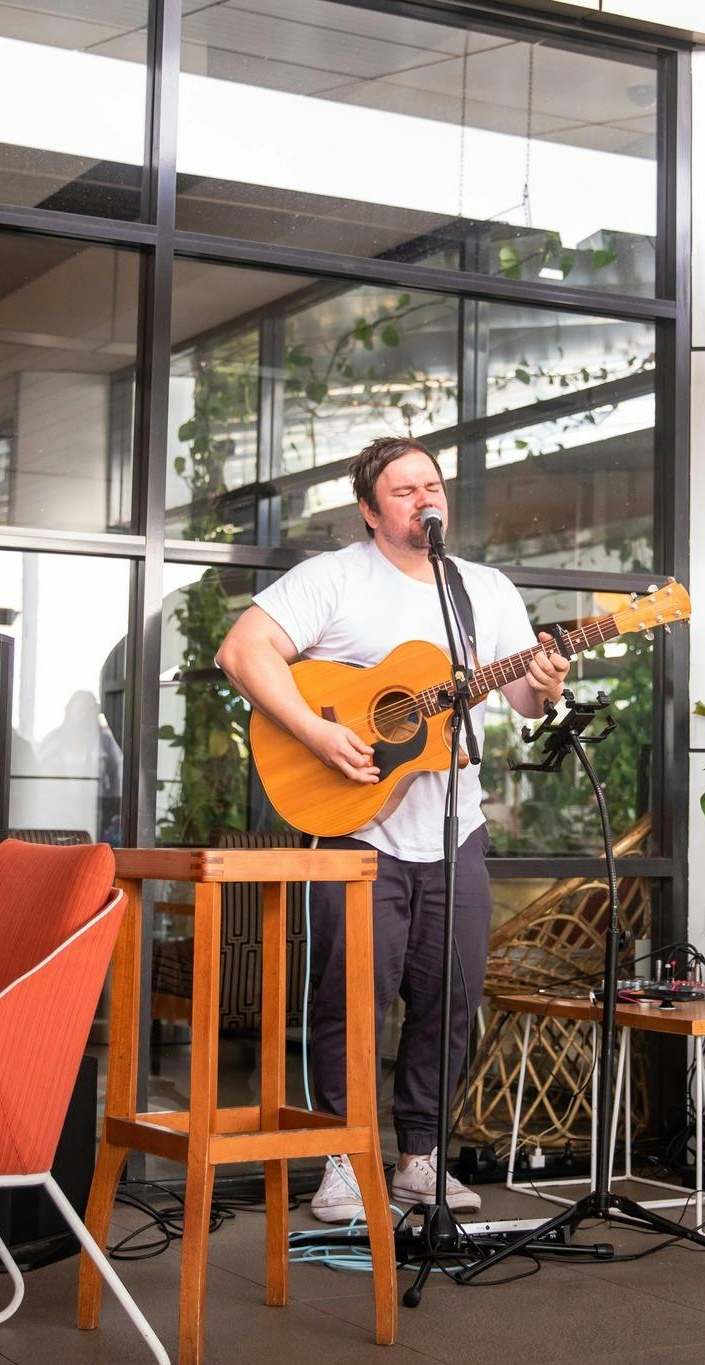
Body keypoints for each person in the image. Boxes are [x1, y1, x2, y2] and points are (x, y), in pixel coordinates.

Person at [215, 436, 568, 1224]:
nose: (423, 498)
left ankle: (421, 1158)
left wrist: (545, 682)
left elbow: (523, 705)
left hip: (455, 825)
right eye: (404, 490)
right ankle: (341, 1159)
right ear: (372, 512)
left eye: (432, 484)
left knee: (449, 996)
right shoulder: (335, 577)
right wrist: (315, 730)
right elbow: (243, 651)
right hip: (356, 828)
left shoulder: (482, 590)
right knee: (351, 997)